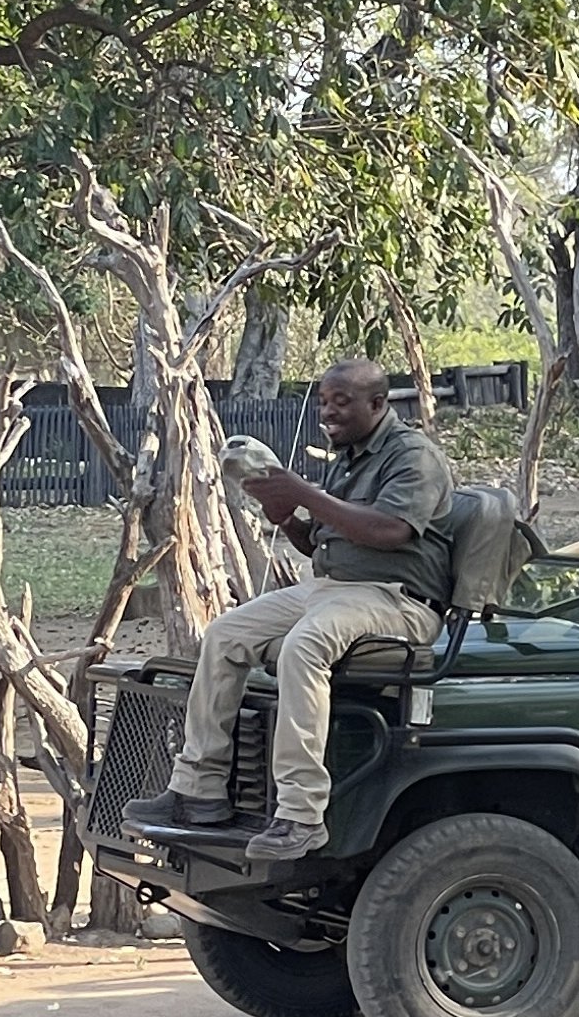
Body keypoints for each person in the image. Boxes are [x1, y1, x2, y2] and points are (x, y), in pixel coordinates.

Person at [124, 358, 452, 860]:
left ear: (379, 404)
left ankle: (300, 815)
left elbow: (389, 531)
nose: (328, 413)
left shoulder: (413, 456)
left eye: (341, 402)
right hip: (334, 588)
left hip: (398, 599)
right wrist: (288, 516)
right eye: (323, 401)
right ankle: (198, 790)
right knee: (226, 634)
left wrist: (302, 491)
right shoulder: (350, 456)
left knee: (306, 645)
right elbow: (320, 541)